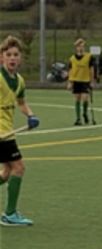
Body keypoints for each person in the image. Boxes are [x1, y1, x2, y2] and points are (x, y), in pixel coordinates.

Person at [0, 36, 41, 227]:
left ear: (20, 58)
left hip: (7, 131)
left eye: (16, 55)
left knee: (7, 171)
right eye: (8, 55)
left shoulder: (19, 81)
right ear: (2, 57)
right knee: (19, 168)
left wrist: (30, 115)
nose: (12, 58)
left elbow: (22, 103)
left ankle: (9, 214)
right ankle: (9, 214)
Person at [67, 38, 95, 126]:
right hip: (75, 80)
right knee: (77, 99)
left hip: (85, 80)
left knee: (85, 98)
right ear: (76, 48)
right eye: (79, 46)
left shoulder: (89, 57)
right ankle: (78, 118)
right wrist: (70, 82)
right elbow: (71, 70)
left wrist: (92, 80)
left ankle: (85, 113)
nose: (81, 48)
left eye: (82, 46)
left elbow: (91, 69)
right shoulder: (72, 58)